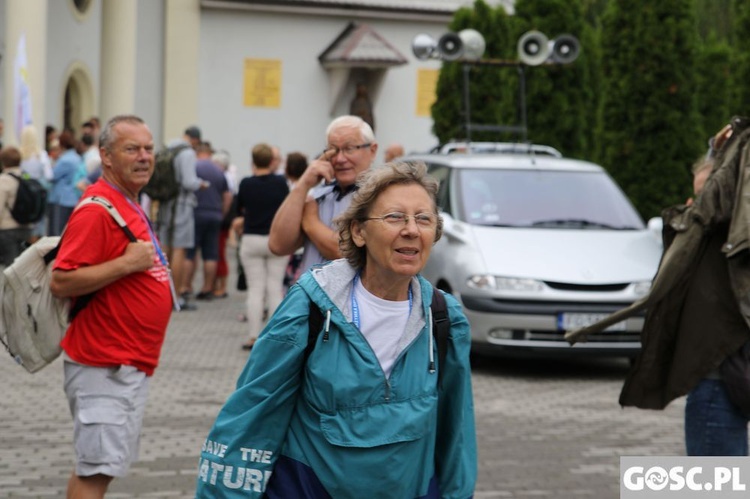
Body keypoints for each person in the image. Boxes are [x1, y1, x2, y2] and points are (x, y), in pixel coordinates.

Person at [196, 161, 477, 497]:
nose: (412, 230)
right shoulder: (311, 305)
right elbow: (255, 408)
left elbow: (456, 429)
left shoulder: (444, 318)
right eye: (394, 217)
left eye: (424, 219)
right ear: (358, 232)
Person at [566, 121, 750, 455]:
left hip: (720, 384)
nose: (697, 205)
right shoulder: (709, 237)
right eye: (694, 195)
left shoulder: (727, 236)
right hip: (718, 381)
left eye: (707, 192)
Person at [49, 115, 174, 498]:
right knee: (95, 472)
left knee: (101, 467)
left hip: (123, 362)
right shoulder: (96, 210)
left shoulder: (129, 201)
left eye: (148, 149)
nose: (143, 157)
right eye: (131, 149)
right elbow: (61, 280)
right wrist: (127, 264)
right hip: (104, 363)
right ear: (105, 156)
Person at [268, 115, 377, 274]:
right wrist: (303, 184)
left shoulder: (380, 197)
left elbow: (346, 254)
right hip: (311, 298)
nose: (340, 158)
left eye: (349, 148)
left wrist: (311, 223)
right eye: (333, 150)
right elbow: (278, 245)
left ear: (372, 150)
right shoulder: (318, 195)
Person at [234, 142, 290, 350]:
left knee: (255, 290)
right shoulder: (280, 183)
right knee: (275, 288)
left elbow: (238, 209)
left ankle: (253, 336)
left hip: (251, 238)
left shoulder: (246, 183)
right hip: (275, 239)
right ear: (271, 161)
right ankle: (274, 338)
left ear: (253, 160)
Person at [156, 125, 207, 311]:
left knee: (165, 247)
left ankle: (160, 292)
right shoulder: (186, 153)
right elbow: (188, 182)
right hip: (182, 206)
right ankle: (176, 296)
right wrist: (201, 184)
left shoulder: (168, 147)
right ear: (195, 139)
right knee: (180, 249)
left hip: (165, 204)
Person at [183, 142, 232, 301]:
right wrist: (222, 213)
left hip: (195, 214)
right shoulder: (219, 171)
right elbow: (227, 195)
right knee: (211, 254)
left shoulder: (193, 168)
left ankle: (185, 286)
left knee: (189, 253)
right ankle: (207, 288)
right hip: (214, 215)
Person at [0, 146, 33, 270]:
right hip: (27, 227)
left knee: (10, 268)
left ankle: (11, 290)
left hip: (7, 229)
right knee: (22, 266)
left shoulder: (4, 180)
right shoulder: (26, 177)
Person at [19, 124, 53, 242]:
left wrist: (27, 177)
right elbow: (49, 176)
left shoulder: (20, 155)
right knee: (40, 223)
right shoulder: (42, 155)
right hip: (39, 193)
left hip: (23, 192)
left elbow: (20, 174)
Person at [47, 130, 83, 236]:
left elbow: (52, 176)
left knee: (57, 231)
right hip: (74, 197)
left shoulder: (65, 160)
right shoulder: (77, 157)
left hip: (61, 198)